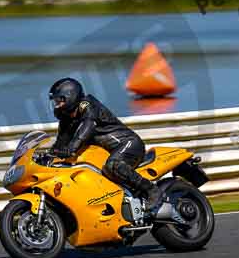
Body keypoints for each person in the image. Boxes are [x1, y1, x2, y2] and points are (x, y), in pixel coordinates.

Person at [48, 77, 182, 221]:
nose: (56, 106)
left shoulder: (88, 106)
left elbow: (87, 127)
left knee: (113, 166)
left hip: (129, 144)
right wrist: (49, 156)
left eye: (59, 101)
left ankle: (152, 190)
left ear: (70, 96)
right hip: (111, 151)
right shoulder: (67, 119)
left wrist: (72, 147)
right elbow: (60, 142)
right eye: (55, 102)